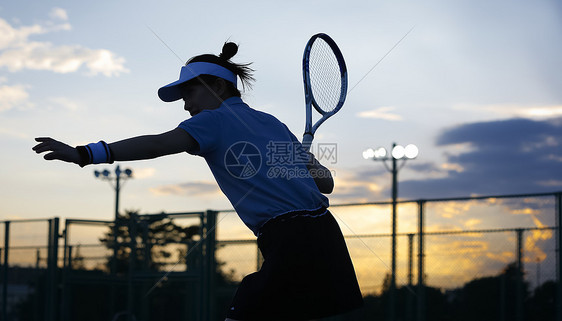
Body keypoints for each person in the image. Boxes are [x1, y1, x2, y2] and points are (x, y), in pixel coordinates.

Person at [33, 42, 363, 320]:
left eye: (190, 94)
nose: (187, 106)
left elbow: (157, 144)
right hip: (324, 234)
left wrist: (86, 153)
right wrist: (306, 160)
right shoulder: (270, 123)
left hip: (292, 237)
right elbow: (325, 183)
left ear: (218, 87)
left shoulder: (213, 120)